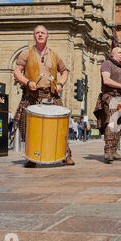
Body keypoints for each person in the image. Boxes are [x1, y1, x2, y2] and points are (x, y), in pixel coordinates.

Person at [13, 25, 75, 167]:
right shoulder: (26, 53)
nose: (40, 35)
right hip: (32, 94)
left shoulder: (54, 55)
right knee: (27, 126)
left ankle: (66, 155)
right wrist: (27, 82)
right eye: (37, 33)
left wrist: (60, 84)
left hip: (51, 94)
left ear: (47, 36)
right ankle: (31, 157)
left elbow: (64, 71)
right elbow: (17, 71)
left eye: (42, 33)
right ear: (34, 36)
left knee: (61, 125)